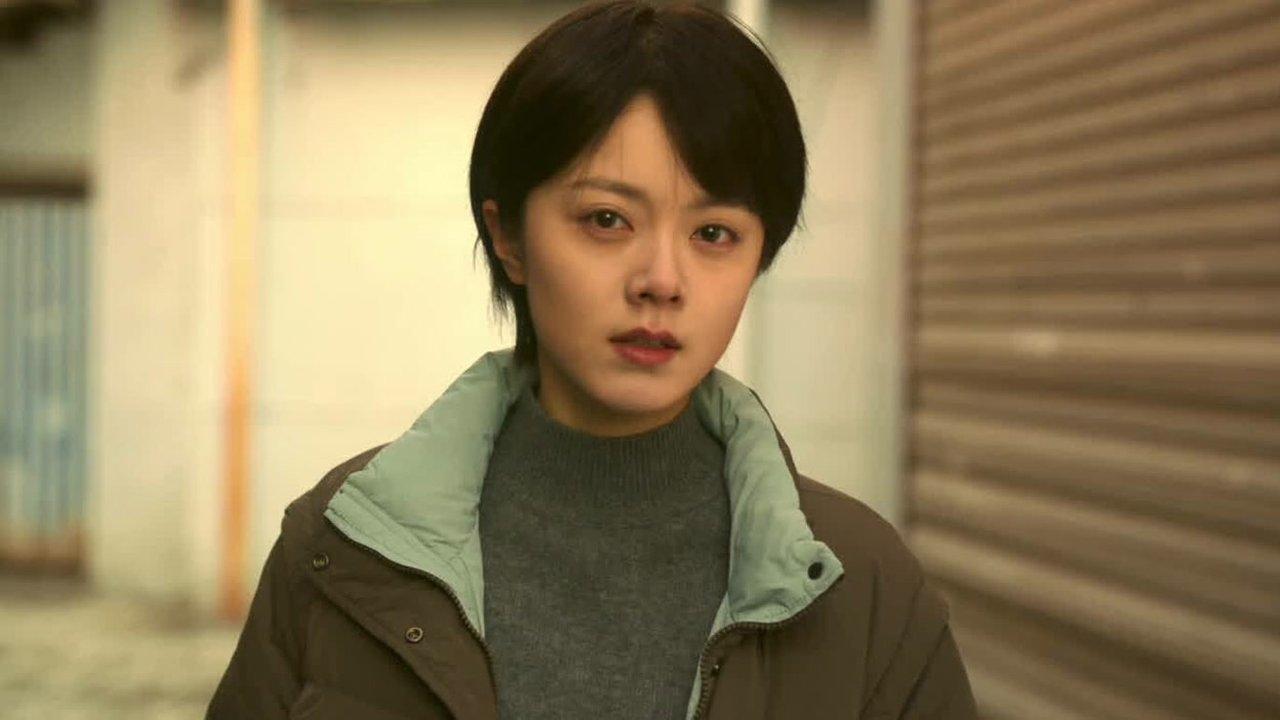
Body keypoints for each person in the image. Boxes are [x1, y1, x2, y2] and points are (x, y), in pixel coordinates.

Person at [206, 2, 977, 718]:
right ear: (508, 237)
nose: (662, 281)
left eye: (713, 234)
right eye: (607, 219)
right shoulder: (344, 547)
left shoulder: (864, 588)